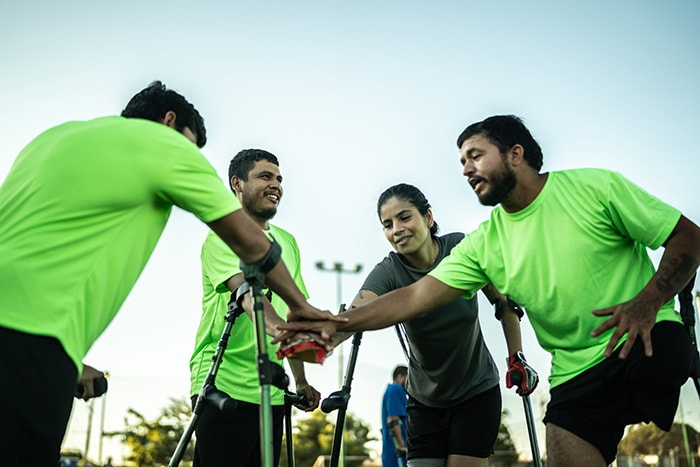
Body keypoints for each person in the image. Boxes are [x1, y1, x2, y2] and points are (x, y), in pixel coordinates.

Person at [275, 115, 700, 467]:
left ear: (516, 154)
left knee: (668, 355)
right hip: (573, 374)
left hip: (644, 338)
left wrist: (648, 303)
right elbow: (416, 297)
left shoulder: (595, 187)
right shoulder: (483, 244)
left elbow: (688, 238)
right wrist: (336, 322)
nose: (465, 169)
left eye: (475, 155)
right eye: (461, 161)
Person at [0, 81, 337, 466]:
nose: (188, 157)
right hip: (37, 337)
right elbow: (249, 243)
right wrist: (300, 309)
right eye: (190, 146)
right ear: (170, 121)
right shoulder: (162, 144)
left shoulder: (52, 138)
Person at [347, 183, 535, 467]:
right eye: (387, 224)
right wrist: (322, 330)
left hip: (476, 391)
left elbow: (505, 303)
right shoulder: (389, 270)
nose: (396, 229)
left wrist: (516, 358)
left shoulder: (460, 248)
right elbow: (354, 315)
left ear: (428, 218)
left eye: (405, 217)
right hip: (424, 400)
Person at [189, 148, 323, 466]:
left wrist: (301, 381)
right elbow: (249, 297)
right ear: (237, 183)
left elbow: (296, 312)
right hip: (223, 384)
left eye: (279, 178)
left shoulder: (287, 242)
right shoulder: (222, 236)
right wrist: (280, 329)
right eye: (265, 176)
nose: (275, 184)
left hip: (273, 390)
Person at [382, 365, 408, 467]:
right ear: (400, 376)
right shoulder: (395, 389)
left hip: (393, 453)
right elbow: (394, 420)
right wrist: (402, 447)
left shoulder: (392, 391)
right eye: (408, 378)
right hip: (397, 456)